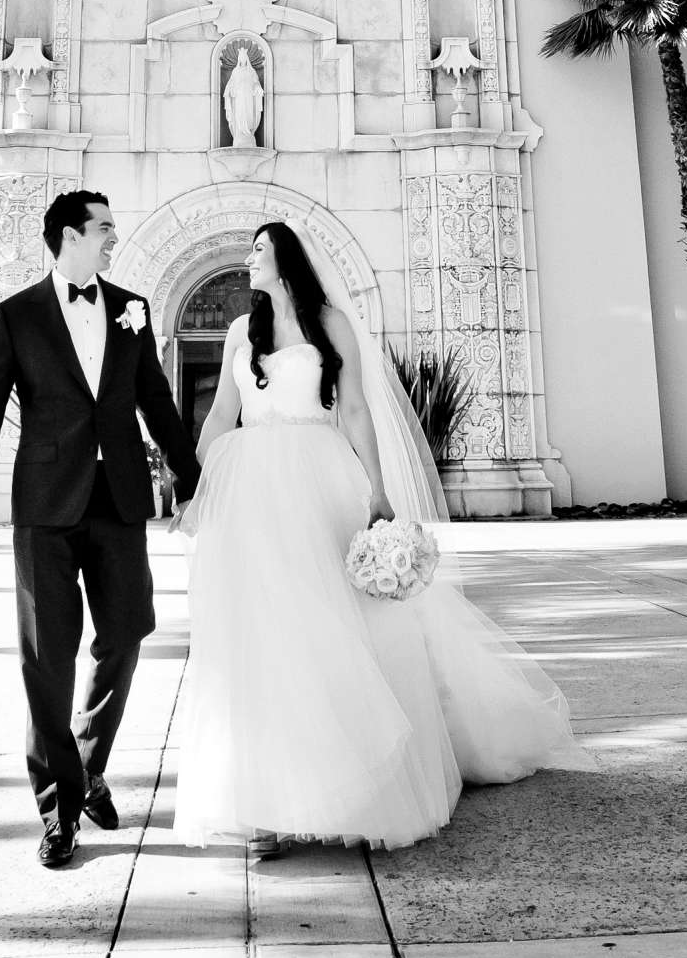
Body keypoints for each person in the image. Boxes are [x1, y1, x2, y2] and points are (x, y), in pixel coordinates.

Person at [172, 219, 591, 854]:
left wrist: (377, 489)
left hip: (318, 478)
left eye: (259, 250)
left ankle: (352, 785)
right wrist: (199, 491)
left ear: (287, 259)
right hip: (252, 492)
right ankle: (263, 801)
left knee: (333, 628)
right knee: (260, 633)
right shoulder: (240, 331)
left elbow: (357, 409)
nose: (250, 259)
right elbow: (220, 419)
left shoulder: (331, 325)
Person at [0, 189, 200, 869]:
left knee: (126, 633)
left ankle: (88, 766)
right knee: (48, 658)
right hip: (44, 506)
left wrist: (193, 479)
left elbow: (156, 398)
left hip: (117, 499)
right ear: (67, 235)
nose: (114, 237)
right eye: (104, 227)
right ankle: (59, 812)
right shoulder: (18, 315)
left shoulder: (130, 309)